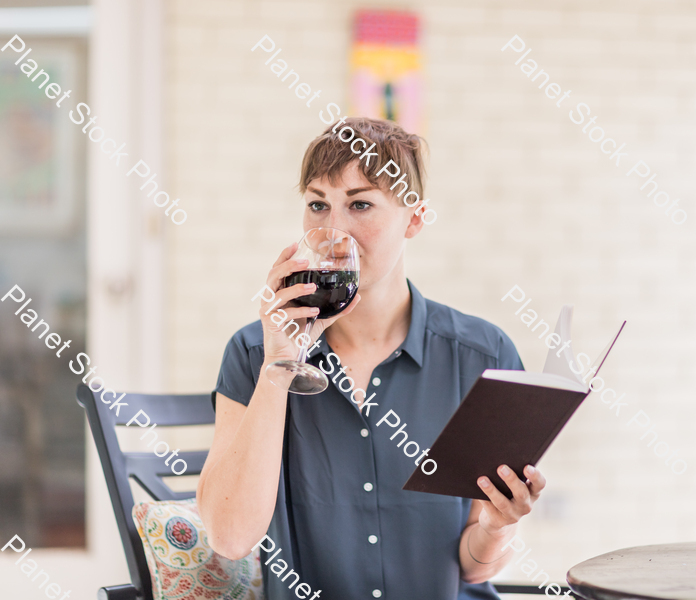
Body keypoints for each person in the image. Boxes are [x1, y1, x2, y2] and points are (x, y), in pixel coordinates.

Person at [197, 117, 546, 600]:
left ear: (415, 219)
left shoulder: (483, 356)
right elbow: (230, 538)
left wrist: (496, 525)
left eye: (360, 204)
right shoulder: (254, 353)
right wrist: (280, 363)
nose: (333, 229)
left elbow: (472, 570)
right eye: (318, 205)